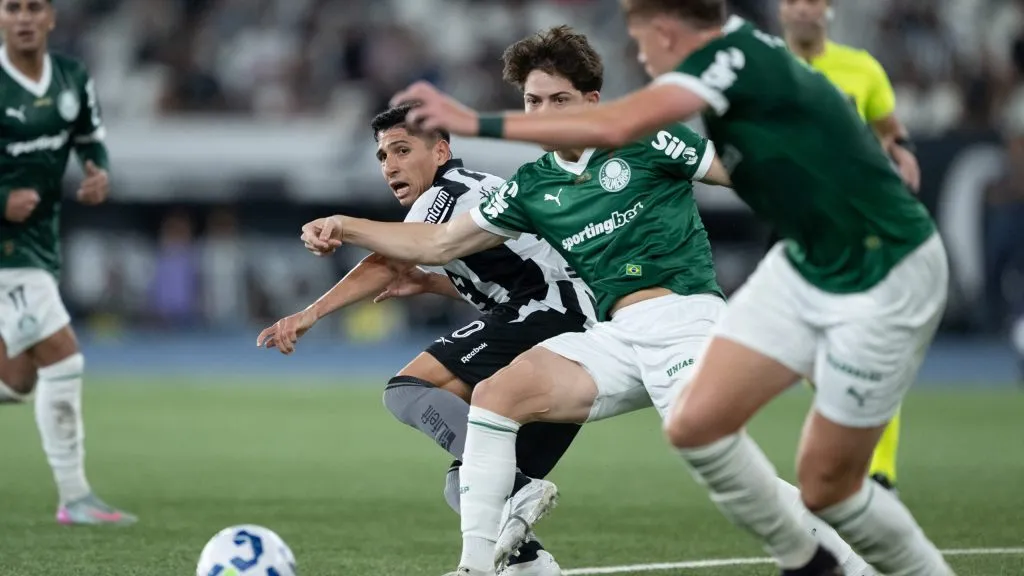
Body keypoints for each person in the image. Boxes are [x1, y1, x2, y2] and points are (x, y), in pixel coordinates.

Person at [390, 2, 954, 574]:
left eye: (558, 100)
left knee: (728, 456)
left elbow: (726, 165)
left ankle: (847, 565)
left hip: (686, 319)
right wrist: (348, 227)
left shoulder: (657, 126)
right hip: (617, 334)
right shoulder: (536, 182)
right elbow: (438, 243)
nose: (543, 113)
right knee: (496, 395)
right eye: (533, 101)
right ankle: (476, 566)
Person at [258, 102, 597, 576]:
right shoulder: (475, 190)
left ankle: (520, 488)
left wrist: (309, 314)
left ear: (440, 152)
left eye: (402, 150)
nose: (390, 165)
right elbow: (516, 269)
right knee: (466, 483)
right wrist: (435, 283)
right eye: (382, 156)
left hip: (553, 314)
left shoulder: (446, 192)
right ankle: (532, 565)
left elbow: (389, 259)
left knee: (407, 389)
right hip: (568, 323)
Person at [0, 0, 135, 524]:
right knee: (63, 357)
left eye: (34, 7)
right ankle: (75, 498)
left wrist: (97, 170)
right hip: (6, 250)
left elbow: (89, 137)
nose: (24, 17)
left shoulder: (72, 77)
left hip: (38, 242)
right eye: (12, 7)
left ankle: (75, 499)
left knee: (17, 380)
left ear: (50, 17)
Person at [779, 0, 923, 491]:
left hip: (856, 227)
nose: (802, 9)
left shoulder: (862, 68)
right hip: (794, 226)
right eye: (792, 1)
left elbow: (889, 129)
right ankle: (855, 440)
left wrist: (901, 150)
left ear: (829, 9)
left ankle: (880, 471)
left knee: (869, 345)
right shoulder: (762, 68)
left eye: (812, 0)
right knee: (811, 357)